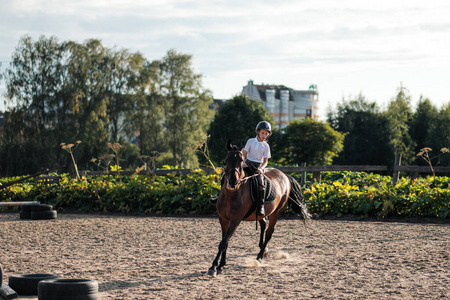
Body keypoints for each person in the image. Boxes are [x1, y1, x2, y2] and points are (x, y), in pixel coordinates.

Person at [210, 121, 272, 216]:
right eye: (263, 133)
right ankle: (219, 196)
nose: (264, 135)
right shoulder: (250, 141)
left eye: (266, 134)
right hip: (247, 164)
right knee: (226, 176)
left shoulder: (266, 146)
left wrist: (261, 168)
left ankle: (261, 206)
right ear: (258, 132)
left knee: (261, 184)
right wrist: (243, 164)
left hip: (258, 167)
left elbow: (265, 161)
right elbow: (243, 154)